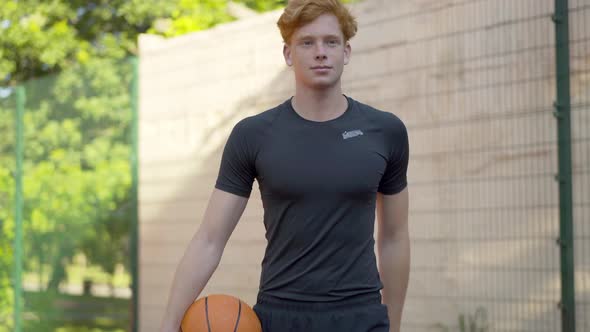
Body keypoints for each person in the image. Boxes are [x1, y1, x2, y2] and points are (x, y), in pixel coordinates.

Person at [159, 0, 410, 331]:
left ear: (346, 52)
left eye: (330, 41)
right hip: (280, 317)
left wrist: (395, 322)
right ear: (288, 54)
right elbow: (209, 239)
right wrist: (167, 324)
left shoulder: (385, 131)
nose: (320, 52)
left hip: (360, 316)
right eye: (307, 42)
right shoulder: (253, 135)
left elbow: (394, 238)